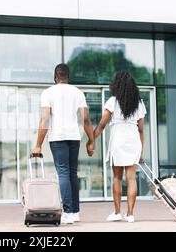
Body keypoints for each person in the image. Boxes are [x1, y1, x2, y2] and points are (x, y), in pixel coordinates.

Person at [32, 63, 94, 224]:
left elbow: (45, 118)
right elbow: (86, 119)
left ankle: (67, 213)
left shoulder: (48, 93)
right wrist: (91, 140)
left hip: (58, 137)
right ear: (68, 76)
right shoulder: (78, 92)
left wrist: (38, 144)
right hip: (74, 137)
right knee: (72, 173)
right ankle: (75, 212)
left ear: (55, 77)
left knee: (64, 173)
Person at [92, 70, 146, 223]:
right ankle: (130, 214)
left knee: (117, 178)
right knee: (131, 179)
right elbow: (141, 129)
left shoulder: (112, 102)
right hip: (133, 141)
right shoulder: (139, 103)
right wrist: (141, 150)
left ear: (116, 85)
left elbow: (102, 125)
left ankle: (117, 212)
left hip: (118, 141)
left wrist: (91, 140)